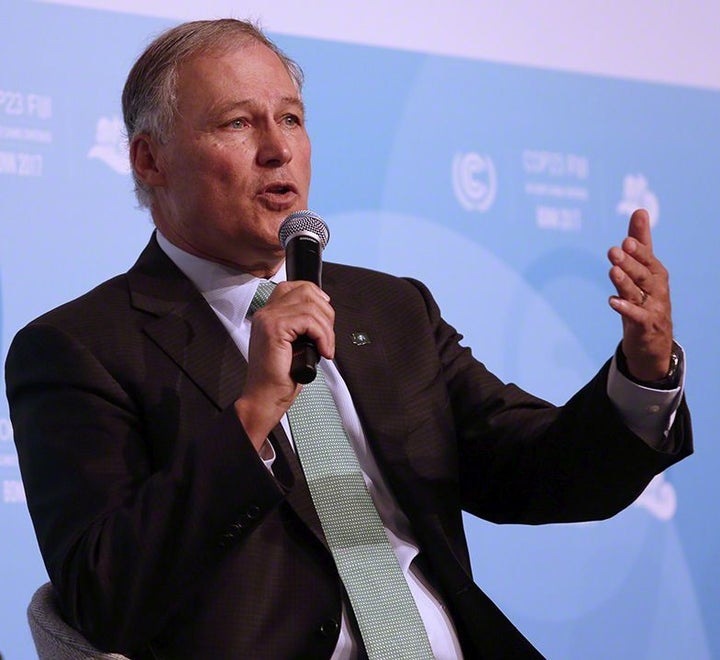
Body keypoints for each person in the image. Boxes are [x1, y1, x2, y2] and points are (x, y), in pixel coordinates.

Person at [5, 18, 692, 660]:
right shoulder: (80, 348)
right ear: (149, 160)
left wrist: (644, 371)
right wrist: (252, 417)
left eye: (292, 119)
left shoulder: (391, 308)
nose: (278, 148)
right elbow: (104, 596)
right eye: (239, 122)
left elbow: (542, 473)